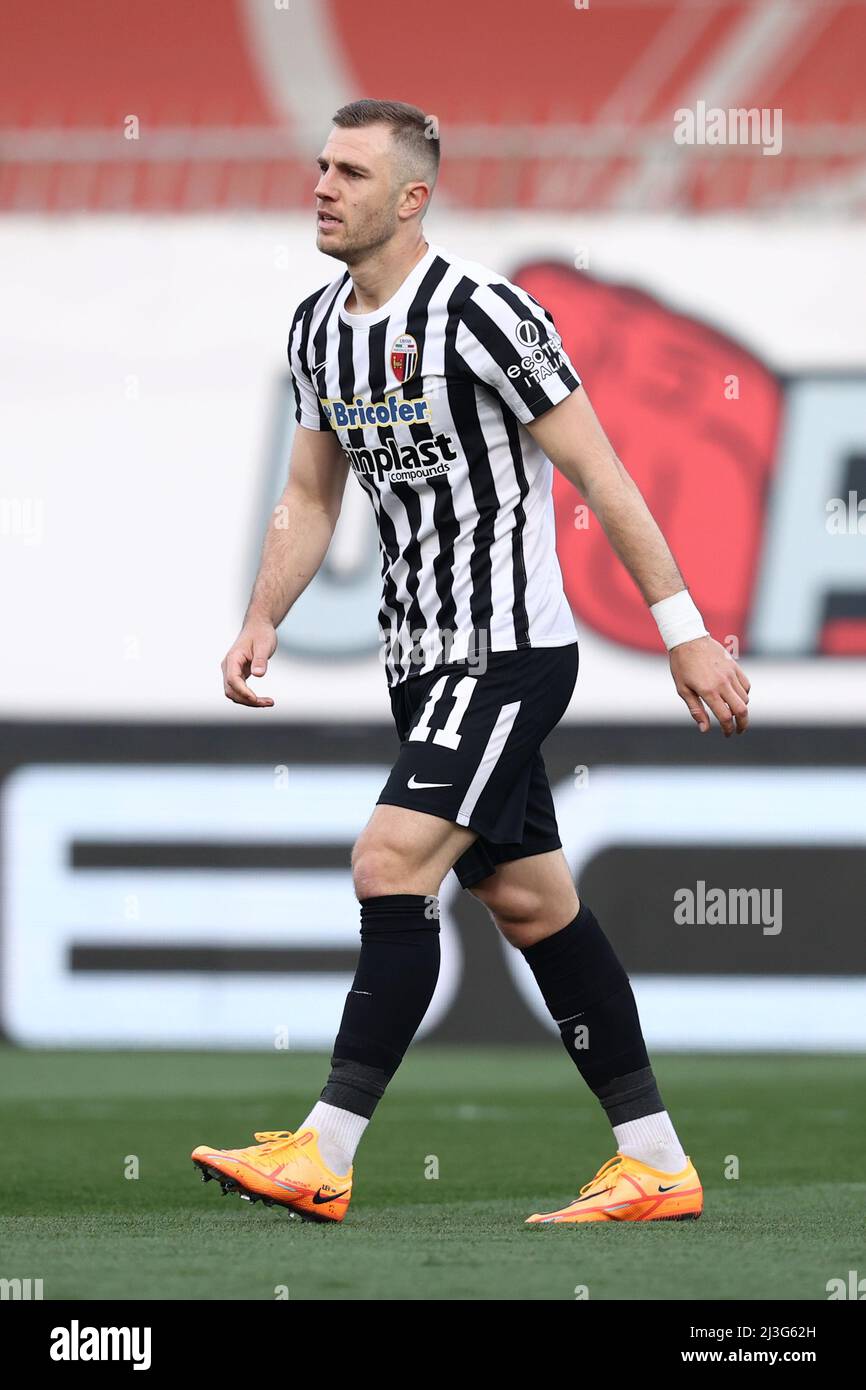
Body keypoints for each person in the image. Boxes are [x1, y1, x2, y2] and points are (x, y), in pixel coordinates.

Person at [192, 99, 749, 1225]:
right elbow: (309, 492)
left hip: (505, 652)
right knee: (535, 908)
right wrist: (264, 616)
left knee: (388, 864)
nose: (322, 184)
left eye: (349, 171)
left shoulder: (487, 315)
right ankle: (655, 1160)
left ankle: (326, 1148)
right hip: (418, 663)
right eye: (320, 164)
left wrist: (683, 626)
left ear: (411, 197)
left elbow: (599, 474)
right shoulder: (315, 327)